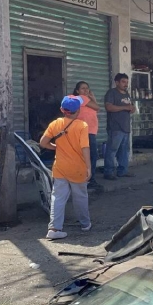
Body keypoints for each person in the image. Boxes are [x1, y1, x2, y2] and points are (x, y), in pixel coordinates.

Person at [39, 96, 92, 240]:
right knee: (80, 197)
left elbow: (43, 143)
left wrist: (55, 147)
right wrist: (89, 166)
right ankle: (85, 224)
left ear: (62, 110)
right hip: (78, 167)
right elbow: (85, 147)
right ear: (78, 110)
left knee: (58, 198)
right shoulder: (82, 125)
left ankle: (54, 228)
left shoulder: (55, 124)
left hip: (60, 167)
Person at [103, 73, 136, 180]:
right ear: (116, 82)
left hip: (126, 127)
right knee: (112, 150)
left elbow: (130, 109)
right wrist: (125, 107)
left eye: (127, 82)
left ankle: (123, 171)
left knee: (124, 151)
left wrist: (132, 109)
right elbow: (109, 107)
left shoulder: (127, 94)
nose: (126, 84)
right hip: (115, 127)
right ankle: (109, 172)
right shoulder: (111, 93)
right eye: (123, 82)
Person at [74, 81, 100, 188]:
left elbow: (96, 108)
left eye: (87, 88)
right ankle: (89, 179)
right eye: (83, 88)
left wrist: (92, 98)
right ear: (77, 91)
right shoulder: (81, 98)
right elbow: (97, 107)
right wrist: (93, 97)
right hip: (86, 132)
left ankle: (87, 179)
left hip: (90, 132)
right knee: (92, 156)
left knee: (90, 156)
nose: (86, 91)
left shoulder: (86, 101)